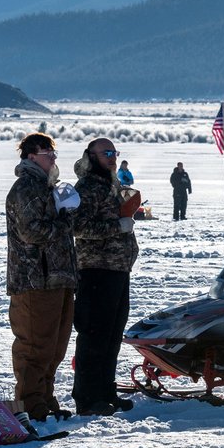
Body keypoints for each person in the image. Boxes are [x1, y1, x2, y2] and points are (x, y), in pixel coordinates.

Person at [5, 132, 78, 421]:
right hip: (34, 280)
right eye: (48, 154)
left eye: (54, 154)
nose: (53, 159)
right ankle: (29, 403)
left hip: (58, 278)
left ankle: (45, 398)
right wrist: (65, 219)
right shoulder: (26, 188)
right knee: (35, 346)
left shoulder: (47, 188)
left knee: (55, 346)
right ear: (31, 156)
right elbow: (31, 231)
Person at [71, 139, 139, 416]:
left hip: (118, 269)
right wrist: (117, 226)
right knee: (94, 335)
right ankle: (87, 398)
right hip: (96, 269)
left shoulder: (112, 185)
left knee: (112, 336)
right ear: (92, 156)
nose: (112, 158)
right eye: (106, 153)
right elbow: (77, 226)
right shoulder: (86, 187)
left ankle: (105, 391)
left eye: (114, 153)